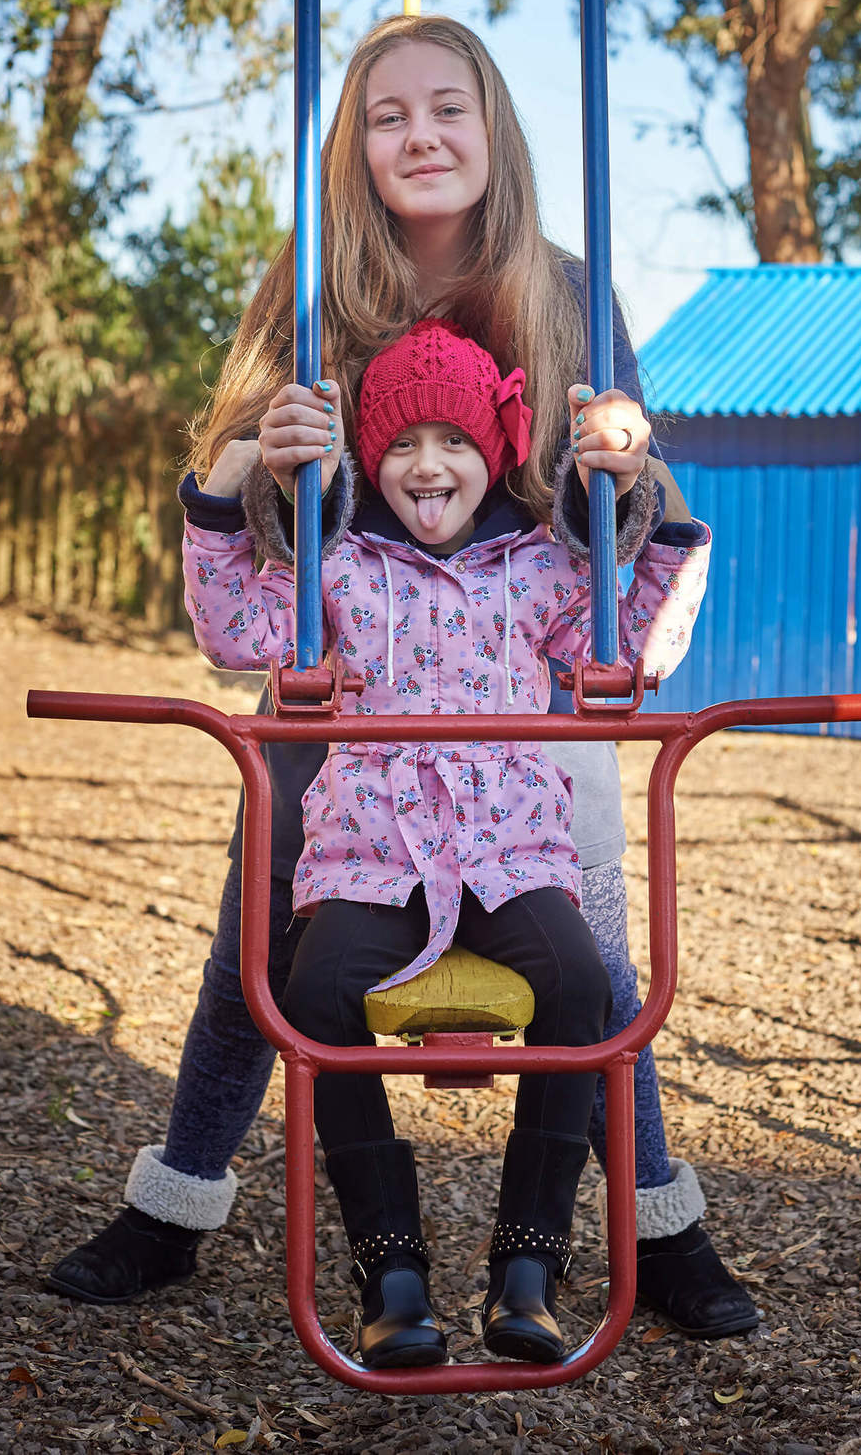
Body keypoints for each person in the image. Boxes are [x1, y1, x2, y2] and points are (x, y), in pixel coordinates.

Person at [47, 14, 757, 1341]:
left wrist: (624, 463)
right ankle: (176, 1203)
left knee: (592, 952)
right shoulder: (315, 284)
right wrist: (263, 449)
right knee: (260, 944)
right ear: (354, 145)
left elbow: (633, 519)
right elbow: (236, 491)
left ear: (495, 132)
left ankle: (658, 1223)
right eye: (388, 116)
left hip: (515, 679)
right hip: (348, 666)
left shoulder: (563, 288)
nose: (420, 136)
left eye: (449, 110)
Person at [181, 316, 712, 1367]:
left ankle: (529, 1262)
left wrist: (646, 489)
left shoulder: (537, 571)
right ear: (369, 461)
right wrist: (229, 483)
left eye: (457, 444)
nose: (429, 467)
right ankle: (390, 1268)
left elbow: (644, 637)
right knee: (314, 992)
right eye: (403, 445)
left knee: (584, 990)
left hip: (511, 848)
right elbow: (232, 626)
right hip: (371, 855)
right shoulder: (339, 569)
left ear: (497, 456)